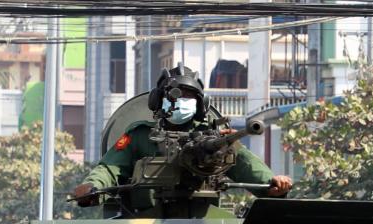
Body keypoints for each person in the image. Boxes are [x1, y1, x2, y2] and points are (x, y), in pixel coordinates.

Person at [73, 65, 293, 207]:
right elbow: (110, 168)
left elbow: (245, 165)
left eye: (189, 97)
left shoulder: (214, 139)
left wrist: (271, 183)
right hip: (144, 222)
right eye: (174, 95)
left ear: (200, 104)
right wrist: (92, 187)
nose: (181, 101)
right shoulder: (140, 135)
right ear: (158, 100)